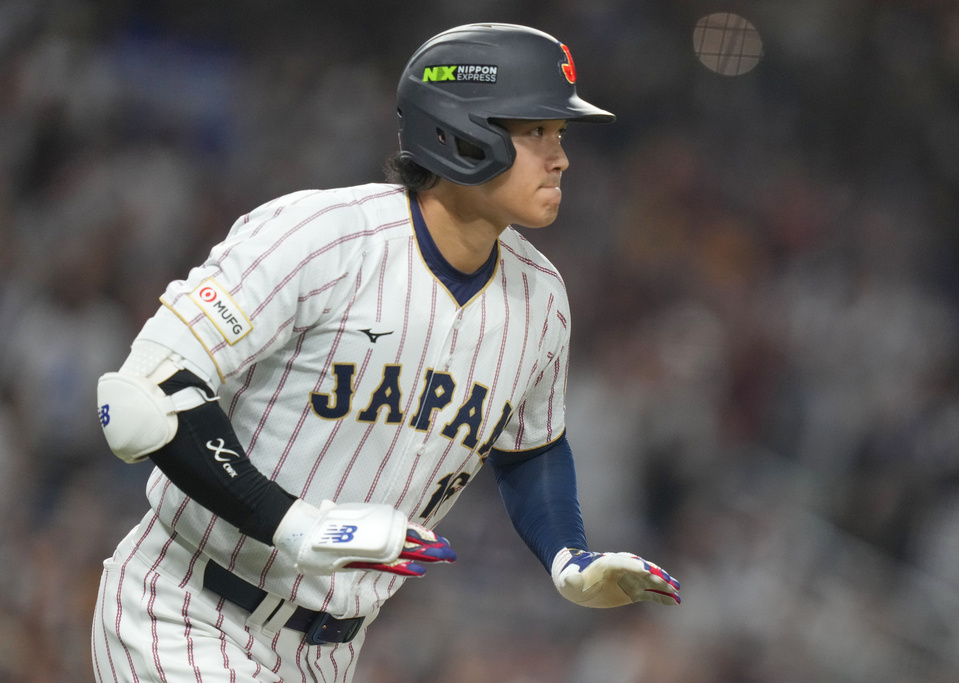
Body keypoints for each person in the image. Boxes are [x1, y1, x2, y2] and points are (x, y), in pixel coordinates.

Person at [91, 23, 680, 682]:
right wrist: (289, 522)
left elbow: (530, 449)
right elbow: (141, 400)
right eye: (535, 130)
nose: (560, 156)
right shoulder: (321, 238)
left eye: (560, 135)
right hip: (188, 610)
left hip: (331, 652)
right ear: (462, 132)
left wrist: (567, 555)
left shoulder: (541, 299)